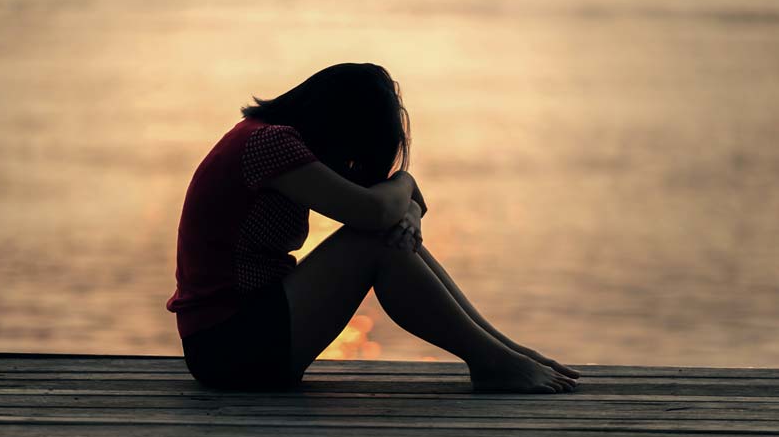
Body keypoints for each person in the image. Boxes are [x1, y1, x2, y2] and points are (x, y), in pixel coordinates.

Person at [167, 62, 580, 393]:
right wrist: (406, 183)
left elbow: (388, 210)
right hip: (228, 347)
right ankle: (493, 361)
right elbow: (376, 211)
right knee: (372, 241)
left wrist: (409, 210)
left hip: (242, 338)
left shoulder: (267, 140)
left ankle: (502, 351)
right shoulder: (270, 144)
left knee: (381, 236)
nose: (351, 163)